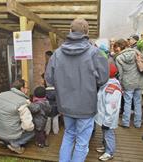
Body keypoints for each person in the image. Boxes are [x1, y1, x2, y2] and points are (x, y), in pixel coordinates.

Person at [45, 18, 109, 162]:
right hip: (86, 105)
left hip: (66, 105)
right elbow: (103, 79)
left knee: (68, 135)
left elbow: (49, 78)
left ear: (70, 31)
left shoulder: (57, 53)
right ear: (86, 32)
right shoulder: (95, 52)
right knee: (81, 142)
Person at [0, 79, 34, 154]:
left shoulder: (0, 95)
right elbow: (28, 126)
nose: (28, 90)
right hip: (11, 133)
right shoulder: (22, 102)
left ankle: (3, 140)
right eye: (27, 88)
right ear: (22, 88)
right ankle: (15, 144)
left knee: (8, 119)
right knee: (32, 130)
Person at [114, 39, 143, 128]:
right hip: (139, 81)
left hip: (128, 83)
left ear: (120, 47)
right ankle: (137, 123)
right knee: (138, 102)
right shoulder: (136, 52)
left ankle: (125, 122)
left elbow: (120, 73)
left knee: (127, 102)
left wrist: (120, 84)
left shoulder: (119, 58)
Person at [95, 64, 122, 161]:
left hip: (108, 118)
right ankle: (105, 146)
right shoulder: (106, 84)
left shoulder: (112, 88)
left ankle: (109, 152)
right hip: (104, 117)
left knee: (109, 133)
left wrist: (107, 121)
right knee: (105, 132)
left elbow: (111, 108)